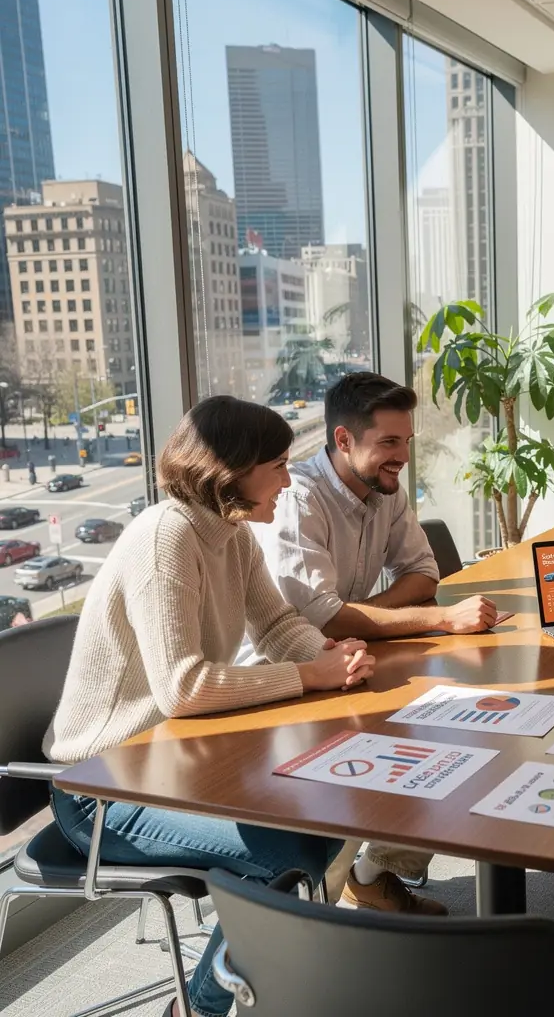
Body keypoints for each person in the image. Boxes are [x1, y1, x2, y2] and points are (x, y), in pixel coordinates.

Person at [46, 396, 376, 1017]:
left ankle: (274, 979)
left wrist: (333, 654)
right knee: (288, 857)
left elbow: (277, 623)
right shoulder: (166, 537)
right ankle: (198, 1009)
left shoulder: (229, 532)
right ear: (231, 469)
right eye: (277, 465)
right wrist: (310, 674)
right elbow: (183, 686)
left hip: (171, 766)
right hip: (101, 792)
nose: (288, 478)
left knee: (325, 819)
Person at [252, 371, 498, 915]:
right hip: (282, 683)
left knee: (451, 745)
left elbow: (422, 574)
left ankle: (371, 875)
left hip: (347, 659)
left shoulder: (385, 489)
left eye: (405, 442)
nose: (402, 456)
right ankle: (322, 919)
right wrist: (429, 622)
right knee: (365, 768)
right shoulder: (298, 500)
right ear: (343, 440)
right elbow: (317, 622)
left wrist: (357, 620)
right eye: (388, 442)